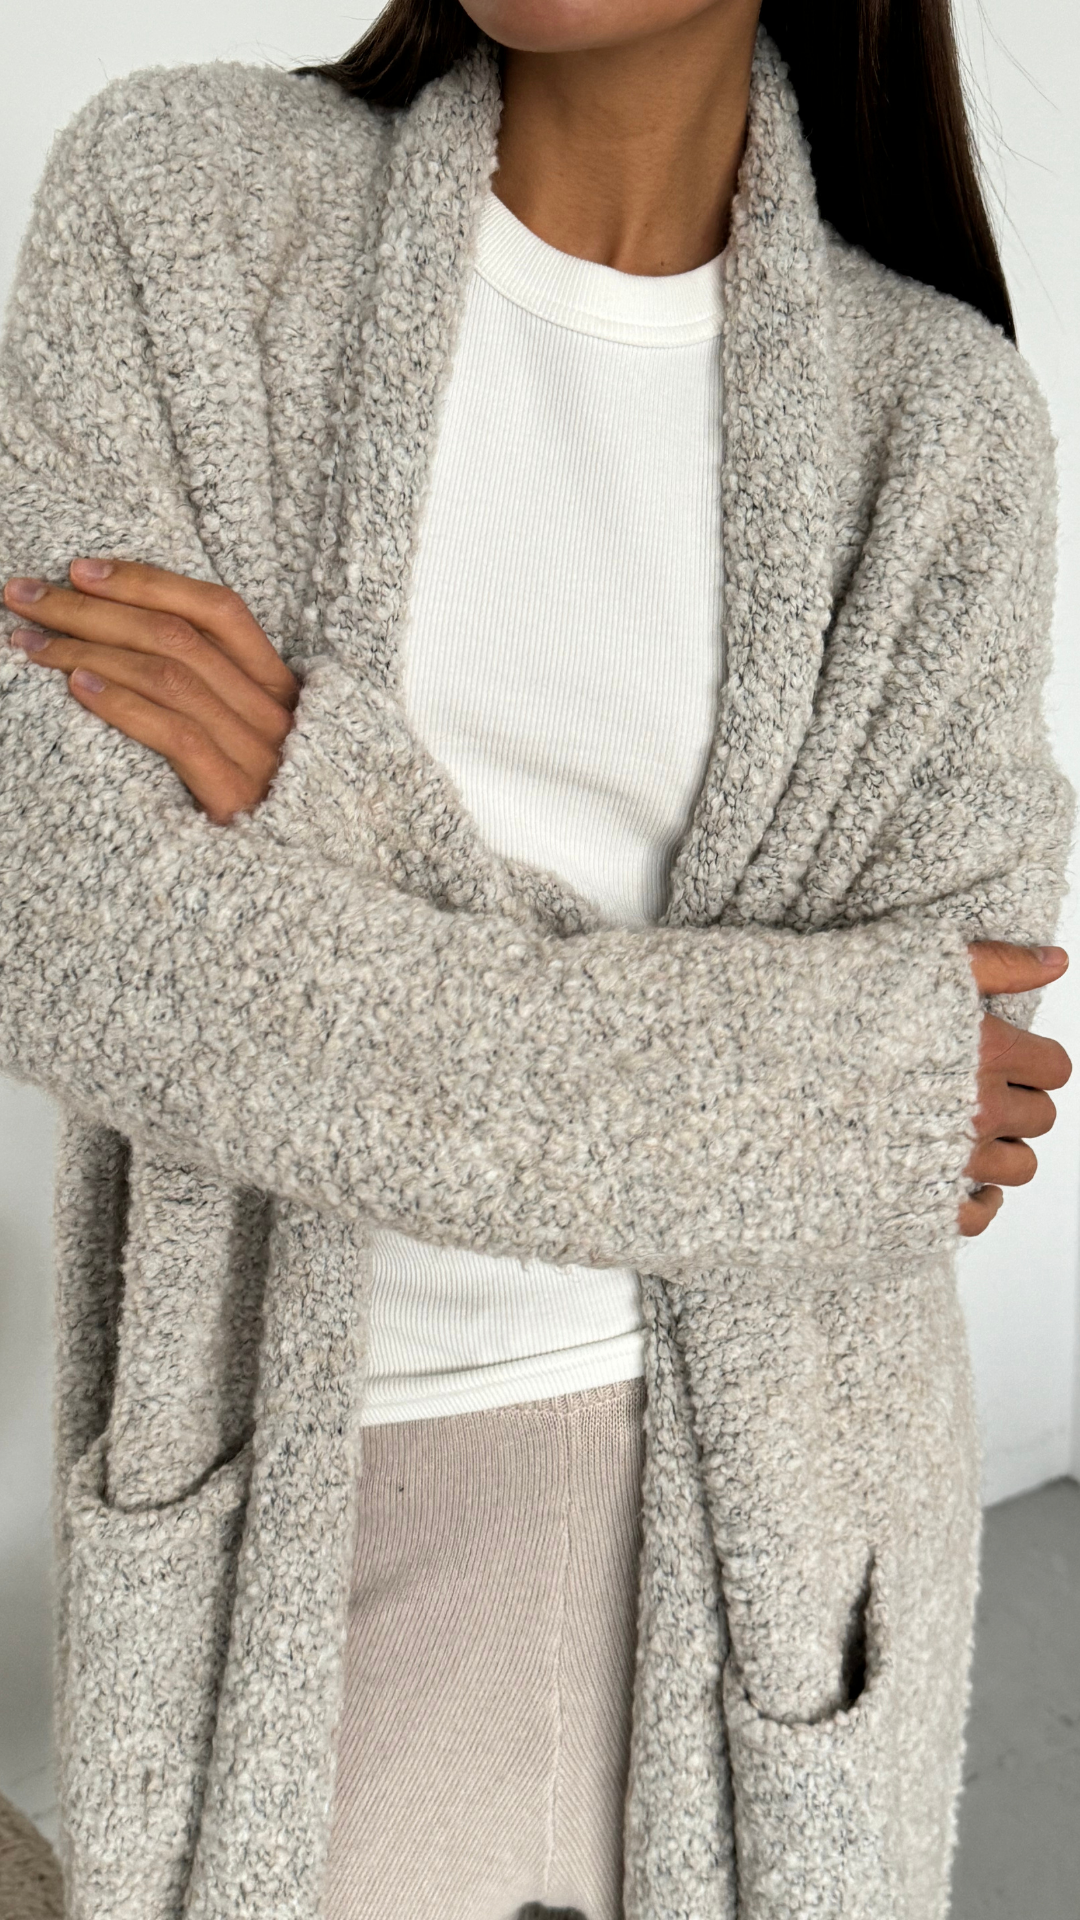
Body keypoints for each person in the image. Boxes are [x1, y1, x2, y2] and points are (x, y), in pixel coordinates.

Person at [0, 0, 1074, 1915]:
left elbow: (958, 1062)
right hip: (314, 1528)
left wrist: (329, 811)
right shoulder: (186, 207)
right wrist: (820, 1090)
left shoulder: (939, 425)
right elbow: (69, 930)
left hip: (781, 1545)